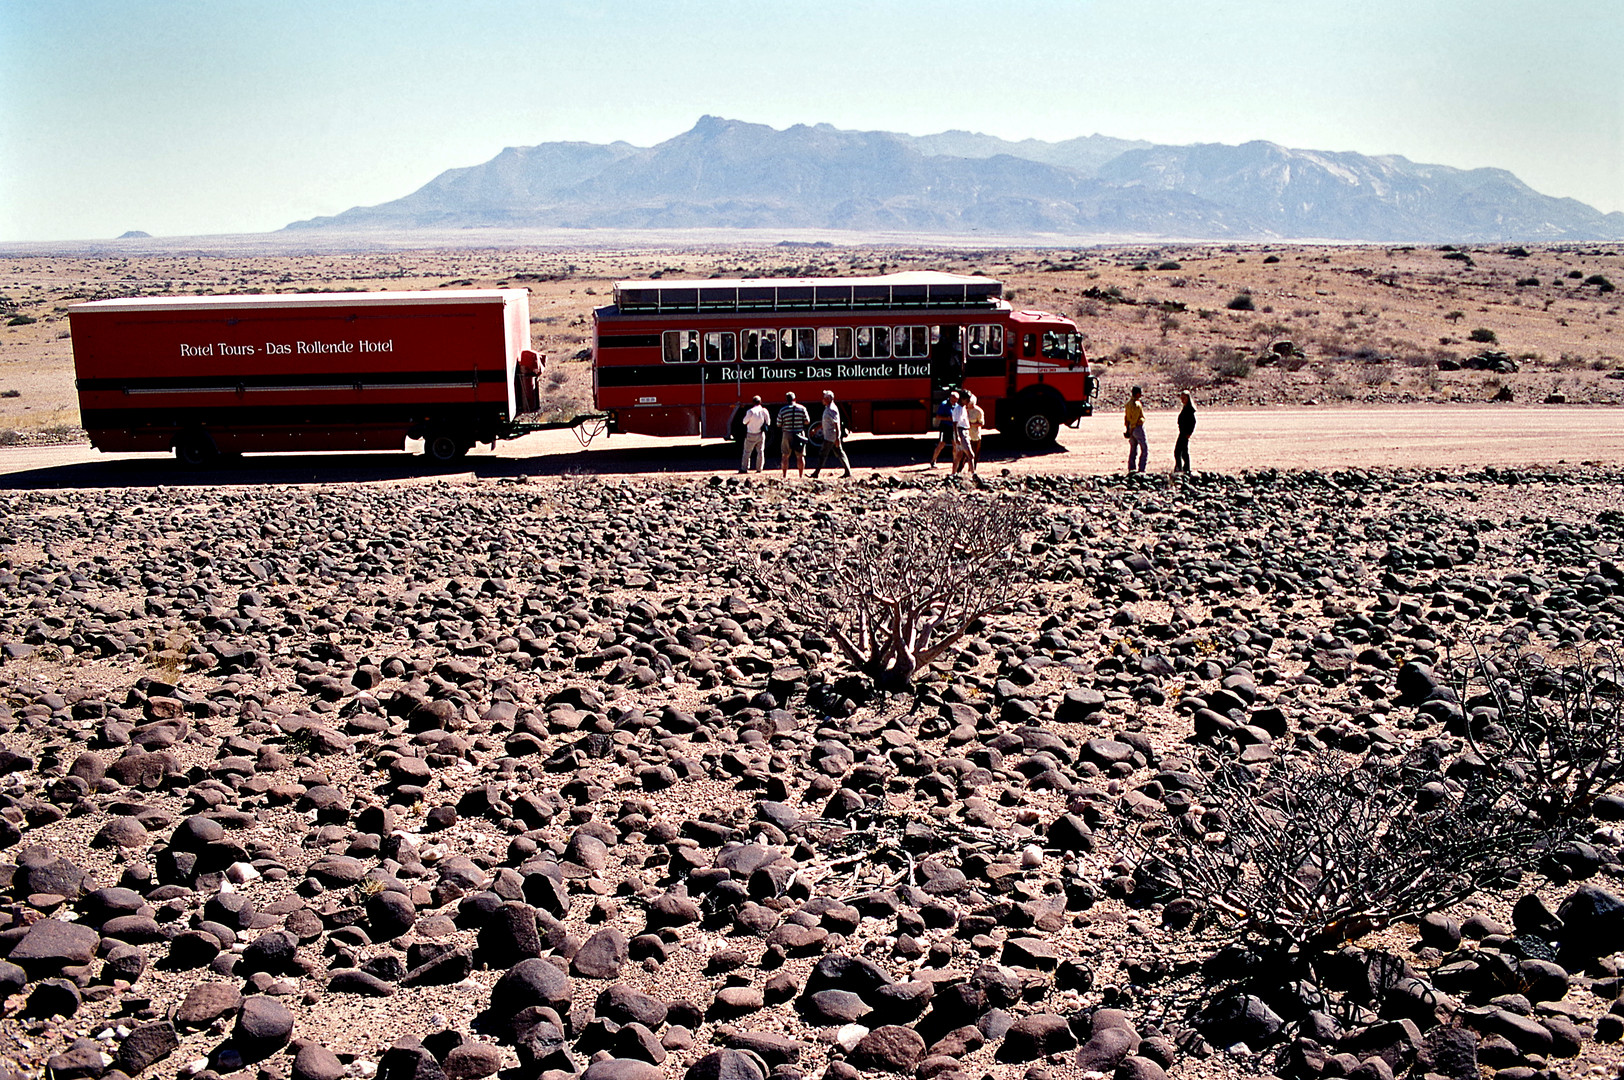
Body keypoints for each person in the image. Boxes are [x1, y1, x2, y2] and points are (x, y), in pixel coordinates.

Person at [811, 390, 852, 478]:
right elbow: (825, 422)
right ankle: (848, 472)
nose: (822, 399)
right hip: (830, 436)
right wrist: (816, 429)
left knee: (823, 454)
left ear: (828, 399)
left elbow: (836, 423)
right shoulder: (828, 408)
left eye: (824, 398)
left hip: (831, 437)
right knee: (840, 453)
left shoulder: (831, 409)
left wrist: (837, 438)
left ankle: (816, 473)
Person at [777, 391, 810, 478]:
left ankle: (784, 475)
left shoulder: (783, 410)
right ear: (795, 399)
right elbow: (807, 421)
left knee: (785, 455)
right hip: (799, 433)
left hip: (787, 433)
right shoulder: (802, 408)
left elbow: (778, 424)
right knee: (800, 456)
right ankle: (800, 475)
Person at [739, 394, 771, 473]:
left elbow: (744, 422)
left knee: (747, 452)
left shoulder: (750, 411)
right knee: (760, 451)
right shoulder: (764, 411)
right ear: (760, 402)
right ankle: (759, 468)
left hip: (751, 433)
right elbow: (768, 422)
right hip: (760, 434)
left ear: (753, 402)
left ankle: (744, 468)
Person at [950, 392, 975, 476]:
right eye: (967, 400)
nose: (968, 402)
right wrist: (957, 436)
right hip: (961, 432)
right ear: (962, 399)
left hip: (963, 431)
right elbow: (955, 423)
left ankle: (953, 474)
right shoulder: (958, 409)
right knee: (970, 454)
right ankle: (973, 474)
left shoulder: (962, 407)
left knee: (959, 455)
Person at [929, 392, 955, 468]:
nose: (954, 402)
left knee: (955, 445)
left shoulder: (956, 405)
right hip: (945, 427)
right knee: (941, 444)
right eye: (953, 400)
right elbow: (938, 417)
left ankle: (955, 461)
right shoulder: (944, 404)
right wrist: (948, 418)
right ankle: (933, 461)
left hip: (953, 427)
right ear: (950, 397)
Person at [1124, 385, 1147, 472]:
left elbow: (1126, 418)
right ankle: (1141, 469)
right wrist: (1132, 429)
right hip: (1137, 427)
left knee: (1133, 449)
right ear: (1137, 394)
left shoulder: (1128, 404)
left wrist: (1128, 429)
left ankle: (1131, 468)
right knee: (1144, 449)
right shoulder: (1136, 405)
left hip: (1130, 427)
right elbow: (1135, 419)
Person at [1173, 391, 1196, 474]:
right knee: (1182, 451)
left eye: (1184, 397)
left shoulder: (1189, 409)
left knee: (1178, 451)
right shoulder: (1185, 408)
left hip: (1185, 433)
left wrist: (1189, 433)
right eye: (1181, 397)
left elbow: (1193, 422)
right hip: (1182, 432)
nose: (1182, 399)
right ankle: (1184, 468)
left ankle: (1181, 468)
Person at [965, 391, 985, 465]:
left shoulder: (978, 411)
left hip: (975, 434)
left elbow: (982, 423)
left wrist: (972, 424)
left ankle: (972, 468)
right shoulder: (964, 410)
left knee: (974, 453)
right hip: (966, 434)